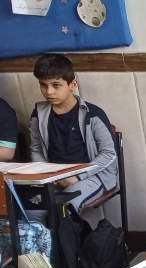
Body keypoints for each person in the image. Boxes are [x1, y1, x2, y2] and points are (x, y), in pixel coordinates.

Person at [29, 53, 117, 213]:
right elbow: (36, 149)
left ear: (72, 84)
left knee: (63, 208)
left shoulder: (93, 114)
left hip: (92, 177)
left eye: (56, 85)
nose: (49, 92)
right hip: (53, 178)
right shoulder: (38, 114)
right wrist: (46, 176)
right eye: (43, 85)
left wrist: (77, 177)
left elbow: (108, 154)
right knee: (29, 207)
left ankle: (79, 229)